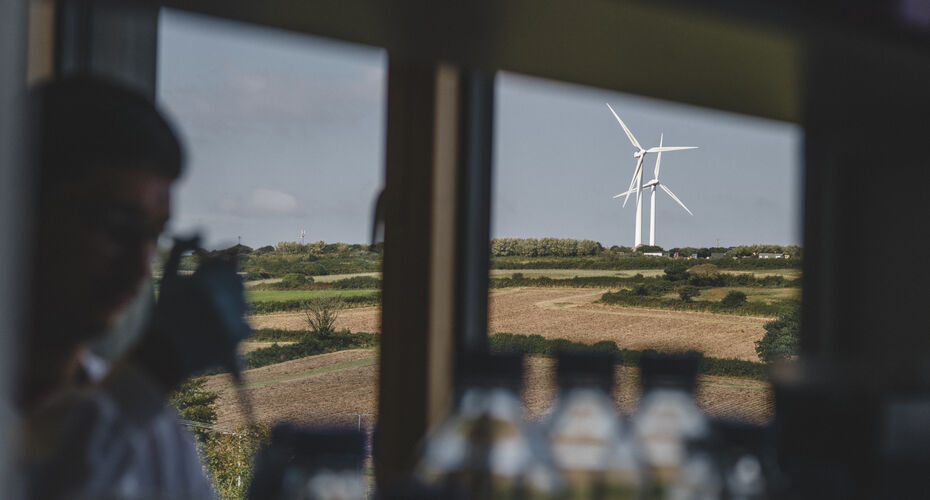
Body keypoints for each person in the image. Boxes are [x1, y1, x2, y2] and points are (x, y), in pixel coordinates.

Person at [16, 75, 235, 499]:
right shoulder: (132, 405)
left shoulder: (153, 430)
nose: (139, 269)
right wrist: (148, 375)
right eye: (115, 227)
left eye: (153, 237)